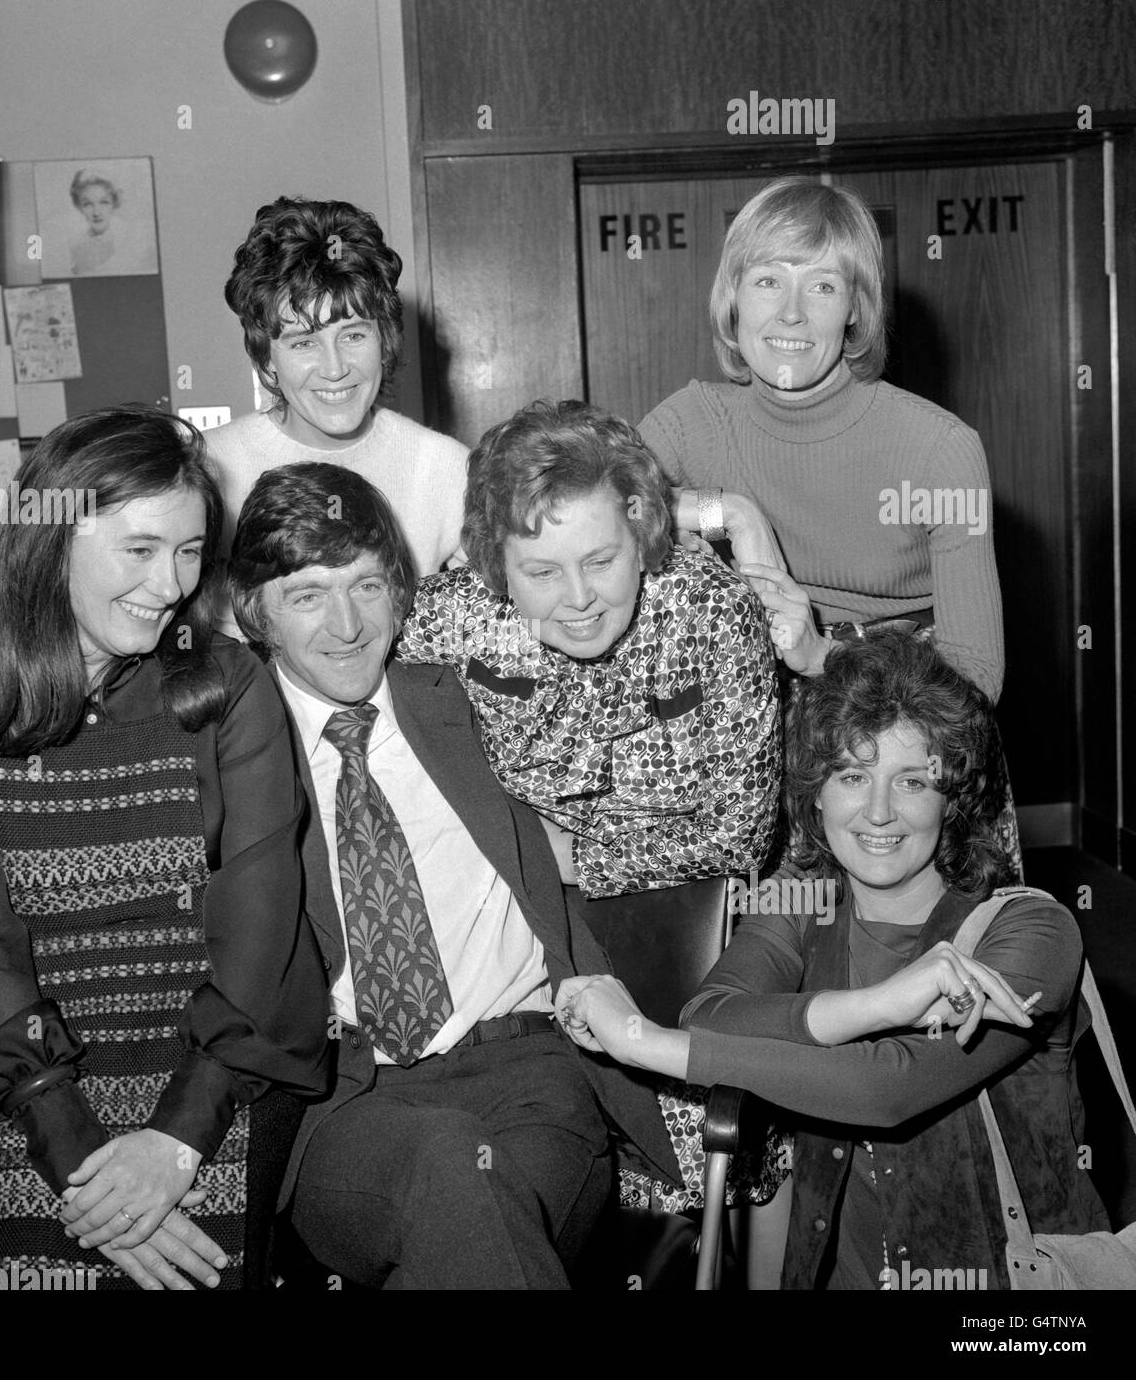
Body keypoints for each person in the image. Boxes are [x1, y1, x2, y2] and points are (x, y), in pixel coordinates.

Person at [0, 406, 330, 1290]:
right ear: (51, 541)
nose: (169, 583)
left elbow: (261, 916)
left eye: (188, 551)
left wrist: (175, 1141)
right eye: (138, 550)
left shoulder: (227, 686)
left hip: (217, 1064)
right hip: (28, 1082)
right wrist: (81, 1160)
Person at [225, 461, 682, 1289]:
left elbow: (611, 616)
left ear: (403, 592)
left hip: (530, 1074)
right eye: (307, 596)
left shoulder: (472, 697)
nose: (346, 625)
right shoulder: (232, 753)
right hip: (350, 1101)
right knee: (450, 1175)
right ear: (256, 613)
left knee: (458, 1233)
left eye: (367, 587)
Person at [555, 632, 1109, 1289]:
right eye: (852, 776)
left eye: (912, 781)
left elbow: (887, 1090)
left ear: (951, 796)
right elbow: (711, 1014)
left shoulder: (1032, 931)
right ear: (817, 793)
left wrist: (637, 1041)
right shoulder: (803, 910)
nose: (878, 812)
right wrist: (881, 1003)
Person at [398, 398, 780, 900]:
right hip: (512, 902)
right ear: (494, 563)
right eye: (543, 572)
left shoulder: (715, 610)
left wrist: (570, 860)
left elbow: (743, 838)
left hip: (692, 905)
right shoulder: (455, 613)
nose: (579, 599)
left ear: (642, 540)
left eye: (600, 561)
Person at [639, 176, 1003, 702]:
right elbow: (590, 513)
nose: (791, 311)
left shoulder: (941, 450)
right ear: (732, 298)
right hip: (745, 719)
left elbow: (977, 680)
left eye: (823, 285)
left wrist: (820, 656)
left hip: (904, 714)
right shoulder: (690, 422)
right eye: (768, 281)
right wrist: (735, 513)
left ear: (857, 309)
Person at [207, 196, 468, 619]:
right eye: (304, 342)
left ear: (384, 338)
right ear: (266, 358)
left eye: (353, 336)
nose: (335, 369)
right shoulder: (210, 470)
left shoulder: (447, 470)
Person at [68, 168, 123, 276]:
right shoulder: (76, 246)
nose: (96, 212)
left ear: (114, 203)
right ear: (79, 207)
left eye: (104, 202)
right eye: (87, 204)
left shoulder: (130, 240)